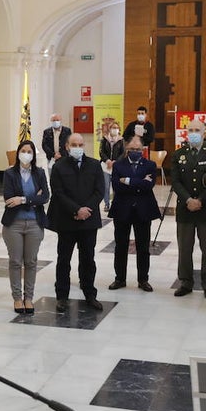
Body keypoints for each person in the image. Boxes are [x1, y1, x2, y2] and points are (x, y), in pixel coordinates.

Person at [48, 133, 105, 312]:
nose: (78, 148)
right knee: (64, 259)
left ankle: (90, 294)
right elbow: (58, 192)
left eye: (80, 145)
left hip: (88, 220)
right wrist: (76, 210)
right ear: (67, 146)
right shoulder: (59, 166)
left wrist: (85, 210)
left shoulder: (94, 165)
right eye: (74, 144)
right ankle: (62, 296)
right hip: (67, 220)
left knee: (88, 258)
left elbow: (99, 191)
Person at [171, 120, 206, 299]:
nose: (193, 132)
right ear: (186, 132)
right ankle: (185, 282)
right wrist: (188, 200)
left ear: (204, 133)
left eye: (197, 130)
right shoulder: (179, 154)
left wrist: (200, 200)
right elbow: (175, 181)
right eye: (190, 130)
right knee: (184, 248)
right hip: (185, 209)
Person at [108, 136, 161, 292]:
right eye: (132, 149)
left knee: (143, 247)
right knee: (120, 246)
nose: (135, 152)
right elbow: (117, 187)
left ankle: (143, 279)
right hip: (122, 210)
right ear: (127, 149)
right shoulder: (118, 165)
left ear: (143, 150)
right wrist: (139, 182)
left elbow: (149, 185)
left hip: (143, 210)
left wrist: (128, 181)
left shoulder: (150, 165)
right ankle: (120, 278)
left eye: (138, 149)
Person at [1, 139, 48, 314]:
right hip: (14, 224)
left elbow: (45, 197)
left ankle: (29, 297)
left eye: (30, 151)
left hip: (35, 223)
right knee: (15, 262)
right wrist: (33, 198)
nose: (26, 154)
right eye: (23, 150)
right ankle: (17, 298)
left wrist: (22, 199)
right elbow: (8, 198)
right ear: (18, 152)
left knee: (31, 262)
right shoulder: (9, 174)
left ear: (34, 155)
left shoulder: (40, 173)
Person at [98, 122, 124, 212]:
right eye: (113, 127)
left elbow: (123, 153)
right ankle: (106, 204)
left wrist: (116, 161)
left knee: (116, 186)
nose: (115, 129)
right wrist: (107, 160)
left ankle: (115, 203)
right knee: (106, 186)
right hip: (105, 166)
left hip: (117, 166)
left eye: (117, 127)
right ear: (109, 129)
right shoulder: (104, 139)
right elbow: (101, 152)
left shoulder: (121, 140)